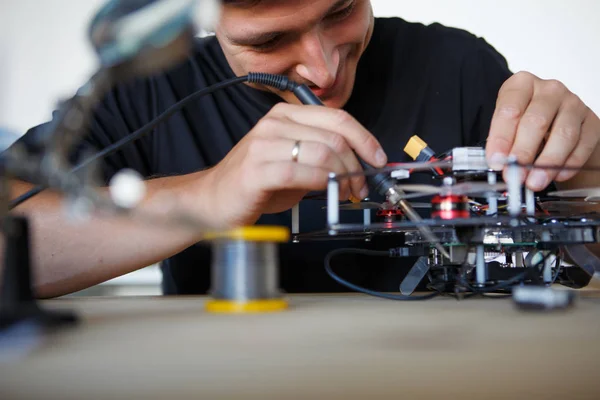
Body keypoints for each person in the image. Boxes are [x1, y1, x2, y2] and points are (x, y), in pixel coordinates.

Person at [4, 0, 600, 297]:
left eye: (340, 10)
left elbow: (569, 236)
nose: (323, 67)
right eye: (269, 40)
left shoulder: (458, 65)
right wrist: (211, 195)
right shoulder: (145, 89)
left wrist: (589, 177)